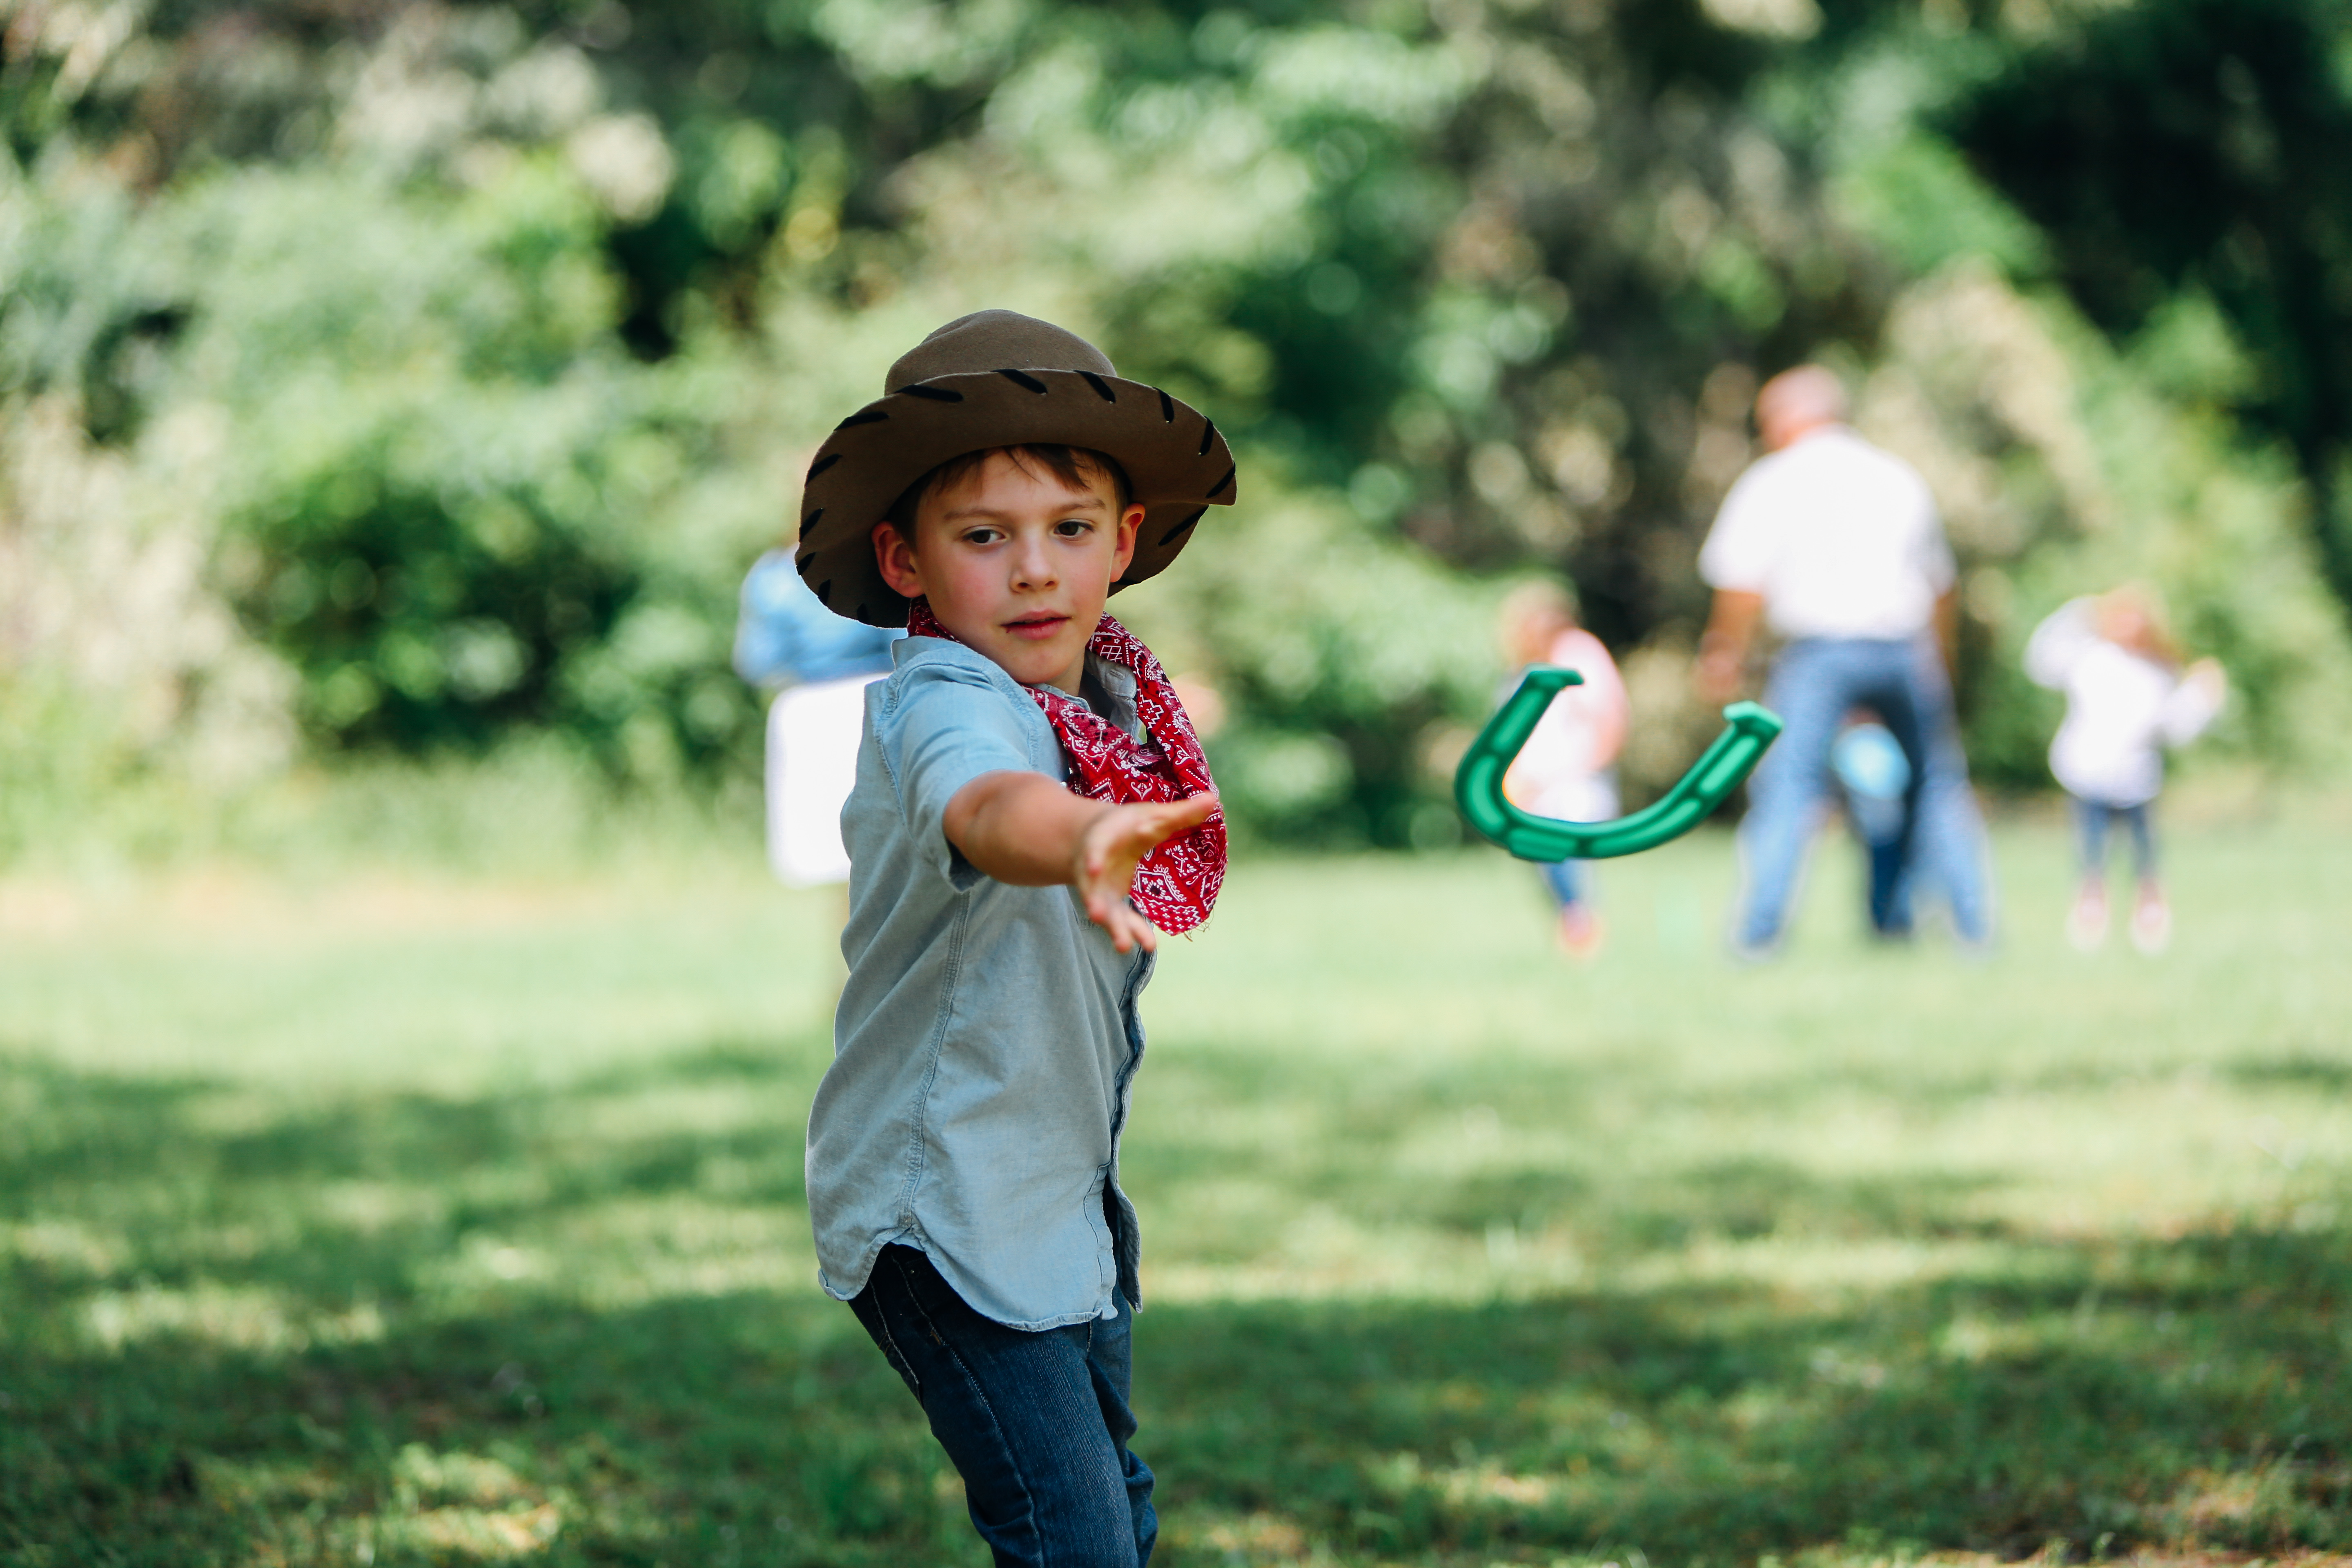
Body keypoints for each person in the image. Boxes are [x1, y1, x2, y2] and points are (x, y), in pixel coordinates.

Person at [794, 310, 1237, 1567]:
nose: (1034, 569)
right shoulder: (946, 695)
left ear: (1126, 540)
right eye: (984, 536)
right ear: (909, 558)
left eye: (1070, 529)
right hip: (943, 1210)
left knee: (1115, 1508)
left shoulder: (1106, 702)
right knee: (1073, 1536)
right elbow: (987, 801)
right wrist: (1080, 836)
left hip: (1052, 1201)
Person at [1695, 364, 1993, 955]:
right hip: (1904, 647)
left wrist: (1724, 653)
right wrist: (1942, 661)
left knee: (1788, 788)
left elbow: (1742, 584)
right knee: (1936, 787)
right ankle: (1975, 933)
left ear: (1788, 418)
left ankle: (1758, 938)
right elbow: (1941, 586)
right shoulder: (1895, 476)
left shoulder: (1773, 480)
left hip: (1820, 652)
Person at [2024, 586, 2226, 953]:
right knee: (2090, 855)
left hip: (2136, 778)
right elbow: (2041, 662)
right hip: (2089, 774)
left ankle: (2149, 921)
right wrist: (2076, 613)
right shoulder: (2089, 657)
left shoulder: (2158, 669)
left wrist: (2203, 697)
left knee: (2145, 856)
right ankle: (2090, 922)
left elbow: (2174, 726)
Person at [732, 551, 902, 886]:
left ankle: (842, 935)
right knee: (880, 843)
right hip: (872, 699)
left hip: (806, 711)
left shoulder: (773, 576)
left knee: (825, 850)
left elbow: (757, 661)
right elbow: (899, 637)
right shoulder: (871, 566)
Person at [1496, 580, 1628, 956]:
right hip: (1531, 792)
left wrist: (1562, 774)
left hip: (1575, 788)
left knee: (1563, 855)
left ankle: (1582, 932)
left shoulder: (1579, 655)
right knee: (1543, 864)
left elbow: (1608, 722)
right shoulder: (1519, 669)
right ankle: (1574, 930)